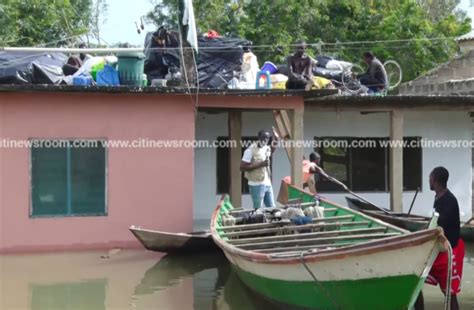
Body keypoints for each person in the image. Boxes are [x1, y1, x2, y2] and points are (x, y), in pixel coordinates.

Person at [414, 167, 464, 310]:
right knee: (416, 281)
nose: (428, 180)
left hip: (449, 251)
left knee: (449, 294)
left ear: (435, 180)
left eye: (430, 178)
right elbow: (434, 224)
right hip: (437, 249)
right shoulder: (438, 197)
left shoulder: (449, 201)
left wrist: (422, 233)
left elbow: (438, 228)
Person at [241, 130, 278, 210]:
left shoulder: (265, 148)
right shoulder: (250, 150)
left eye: (267, 138)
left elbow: (272, 149)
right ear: (258, 138)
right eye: (263, 138)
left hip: (267, 183)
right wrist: (260, 164)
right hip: (256, 184)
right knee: (258, 209)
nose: (265, 140)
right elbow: (242, 167)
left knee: (272, 207)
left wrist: (276, 139)